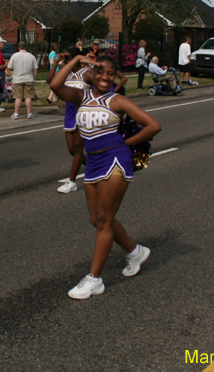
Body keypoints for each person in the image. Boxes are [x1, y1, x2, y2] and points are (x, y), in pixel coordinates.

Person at [50, 54, 161, 300]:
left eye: (110, 74)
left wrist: (124, 144)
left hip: (115, 162)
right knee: (96, 219)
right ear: (92, 72)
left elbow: (153, 125)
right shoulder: (81, 97)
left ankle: (95, 279)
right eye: (100, 72)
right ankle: (135, 251)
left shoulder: (117, 100)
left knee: (104, 220)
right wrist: (78, 59)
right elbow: (55, 85)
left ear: (114, 78)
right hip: (93, 165)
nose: (104, 77)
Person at [47, 51, 89, 194]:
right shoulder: (66, 74)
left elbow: (102, 88)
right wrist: (56, 61)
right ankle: (96, 166)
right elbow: (49, 80)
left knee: (78, 149)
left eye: (68, 58)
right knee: (72, 150)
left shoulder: (86, 73)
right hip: (69, 114)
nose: (66, 61)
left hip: (82, 113)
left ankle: (72, 182)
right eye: (65, 59)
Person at [8, 42, 39, 120]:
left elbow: (10, 67)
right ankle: (29, 113)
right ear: (26, 47)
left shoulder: (14, 56)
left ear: (18, 48)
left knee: (18, 97)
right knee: (28, 97)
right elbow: (35, 68)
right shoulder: (31, 56)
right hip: (29, 78)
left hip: (17, 79)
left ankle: (16, 114)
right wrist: (34, 77)